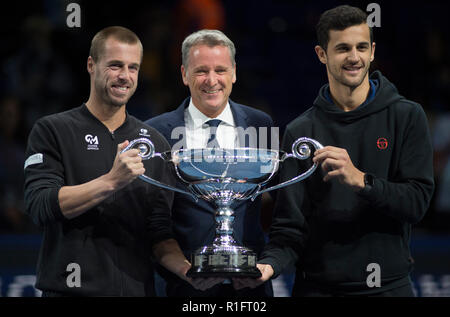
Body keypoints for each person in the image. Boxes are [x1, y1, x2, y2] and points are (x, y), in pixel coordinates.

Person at [237, 5, 435, 296]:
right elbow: (289, 228)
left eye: (361, 47)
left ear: (372, 51)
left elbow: (416, 204)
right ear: (321, 54)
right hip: (317, 289)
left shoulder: (407, 116)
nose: (354, 57)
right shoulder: (300, 131)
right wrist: (269, 266)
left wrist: (361, 181)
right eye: (342, 48)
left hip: (387, 288)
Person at [23, 26, 198, 296]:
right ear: (91, 65)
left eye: (133, 67)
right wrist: (111, 181)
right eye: (115, 66)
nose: (125, 76)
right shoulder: (52, 130)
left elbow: (158, 232)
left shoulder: (153, 142)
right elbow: (40, 205)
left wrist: (188, 271)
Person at [145, 29, 275, 297]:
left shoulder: (261, 124)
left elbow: (275, 207)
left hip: (250, 289)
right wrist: (183, 269)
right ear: (184, 74)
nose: (212, 80)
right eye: (201, 70)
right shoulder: (155, 132)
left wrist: (267, 266)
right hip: (180, 287)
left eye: (220, 70)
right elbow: (153, 219)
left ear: (234, 73)